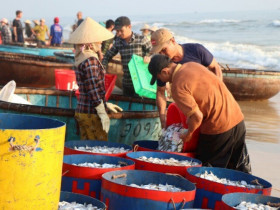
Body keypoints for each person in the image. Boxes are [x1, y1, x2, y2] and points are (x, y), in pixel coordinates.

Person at [148, 54, 251, 173]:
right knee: (239, 170)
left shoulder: (177, 86)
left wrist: (188, 133)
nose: (161, 81)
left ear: (165, 71)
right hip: (238, 120)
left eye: (159, 77)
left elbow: (197, 116)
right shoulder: (192, 65)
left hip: (218, 128)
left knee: (207, 173)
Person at [149, 28, 223, 128]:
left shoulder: (196, 50)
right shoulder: (163, 65)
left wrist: (218, 96)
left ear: (172, 41)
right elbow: (161, 92)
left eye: (164, 50)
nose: (162, 54)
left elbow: (215, 67)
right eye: (159, 52)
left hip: (207, 104)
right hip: (188, 108)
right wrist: (163, 119)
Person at [67, 17, 123, 141]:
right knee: (97, 148)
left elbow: (89, 87)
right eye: (98, 41)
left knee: (86, 147)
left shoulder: (81, 56)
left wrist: (105, 103)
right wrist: (102, 112)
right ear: (91, 44)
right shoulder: (90, 60)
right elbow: (93, 89)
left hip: (83, 109)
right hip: (91, 113)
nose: (101, 42)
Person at [102, 16, 152, 96]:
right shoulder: (118, 41)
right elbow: (107, 56)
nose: (119, 33)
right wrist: (103, 68)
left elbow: (153, 52)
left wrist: (149, 57)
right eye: (117, 31)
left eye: (121, 30)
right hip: (126, 83)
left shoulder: (141, 39)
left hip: (141, 83)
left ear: (129, 27)